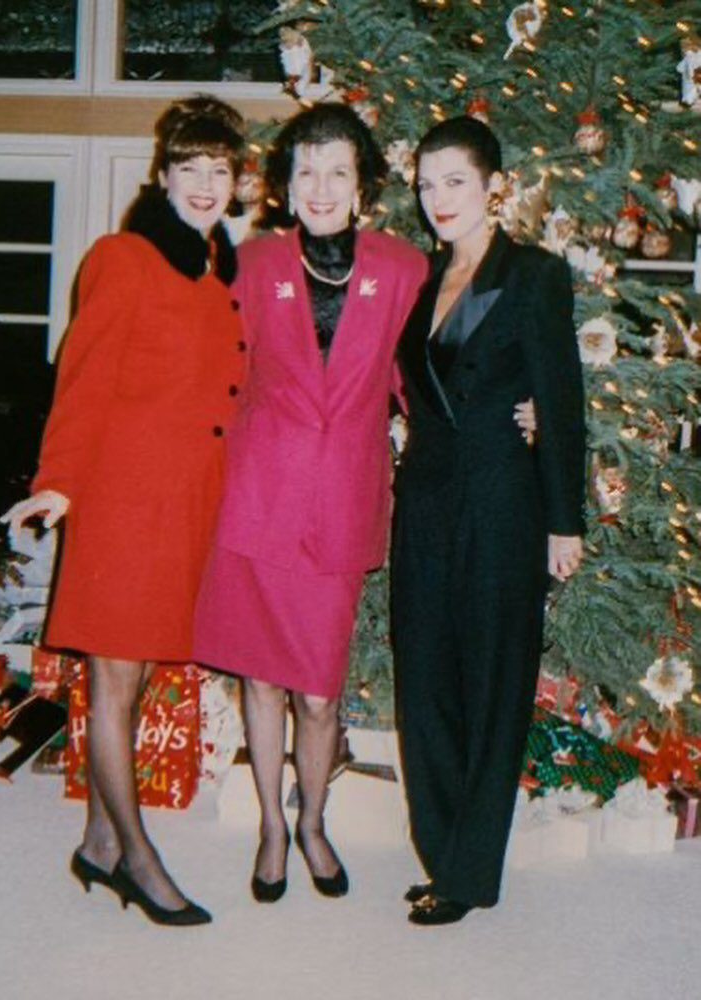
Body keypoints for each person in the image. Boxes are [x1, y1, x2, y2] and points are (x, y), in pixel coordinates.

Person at [192, 104, 534, 903]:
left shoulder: (405, 269)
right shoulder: (251, 263)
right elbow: (206, 368)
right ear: (285, 184)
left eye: (337, 171)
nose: (320, 187)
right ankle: (274, 830)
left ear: (363, 186)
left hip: (343, 501)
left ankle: (315, 819)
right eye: (305, 171)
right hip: (259, 497)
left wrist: (529, 405)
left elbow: (447, 372)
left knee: (318, 690)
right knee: (262, 681)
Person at [1, 95, 247, 927]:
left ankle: (98, 843)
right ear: (163, 176)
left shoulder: (221, 273)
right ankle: (139, 859)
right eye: (192, 168)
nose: (208, 183)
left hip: (184, 507)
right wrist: (58, 479)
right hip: (121, 503)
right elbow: (84, 375)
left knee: (135, 680)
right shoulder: (124, 256)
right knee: (113, 680)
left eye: (222, 169)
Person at [391, 116, 586, 926]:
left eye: (455, 182)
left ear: (492, 186)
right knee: (426, 677)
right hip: (427, 501)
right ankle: (442, 852)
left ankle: (469, 873)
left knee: (494, 681)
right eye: (427, 183)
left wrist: (564, 520)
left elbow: (562, 399)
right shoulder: (421, 278)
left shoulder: (534, 274)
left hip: (505, 503)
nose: (438, 198)